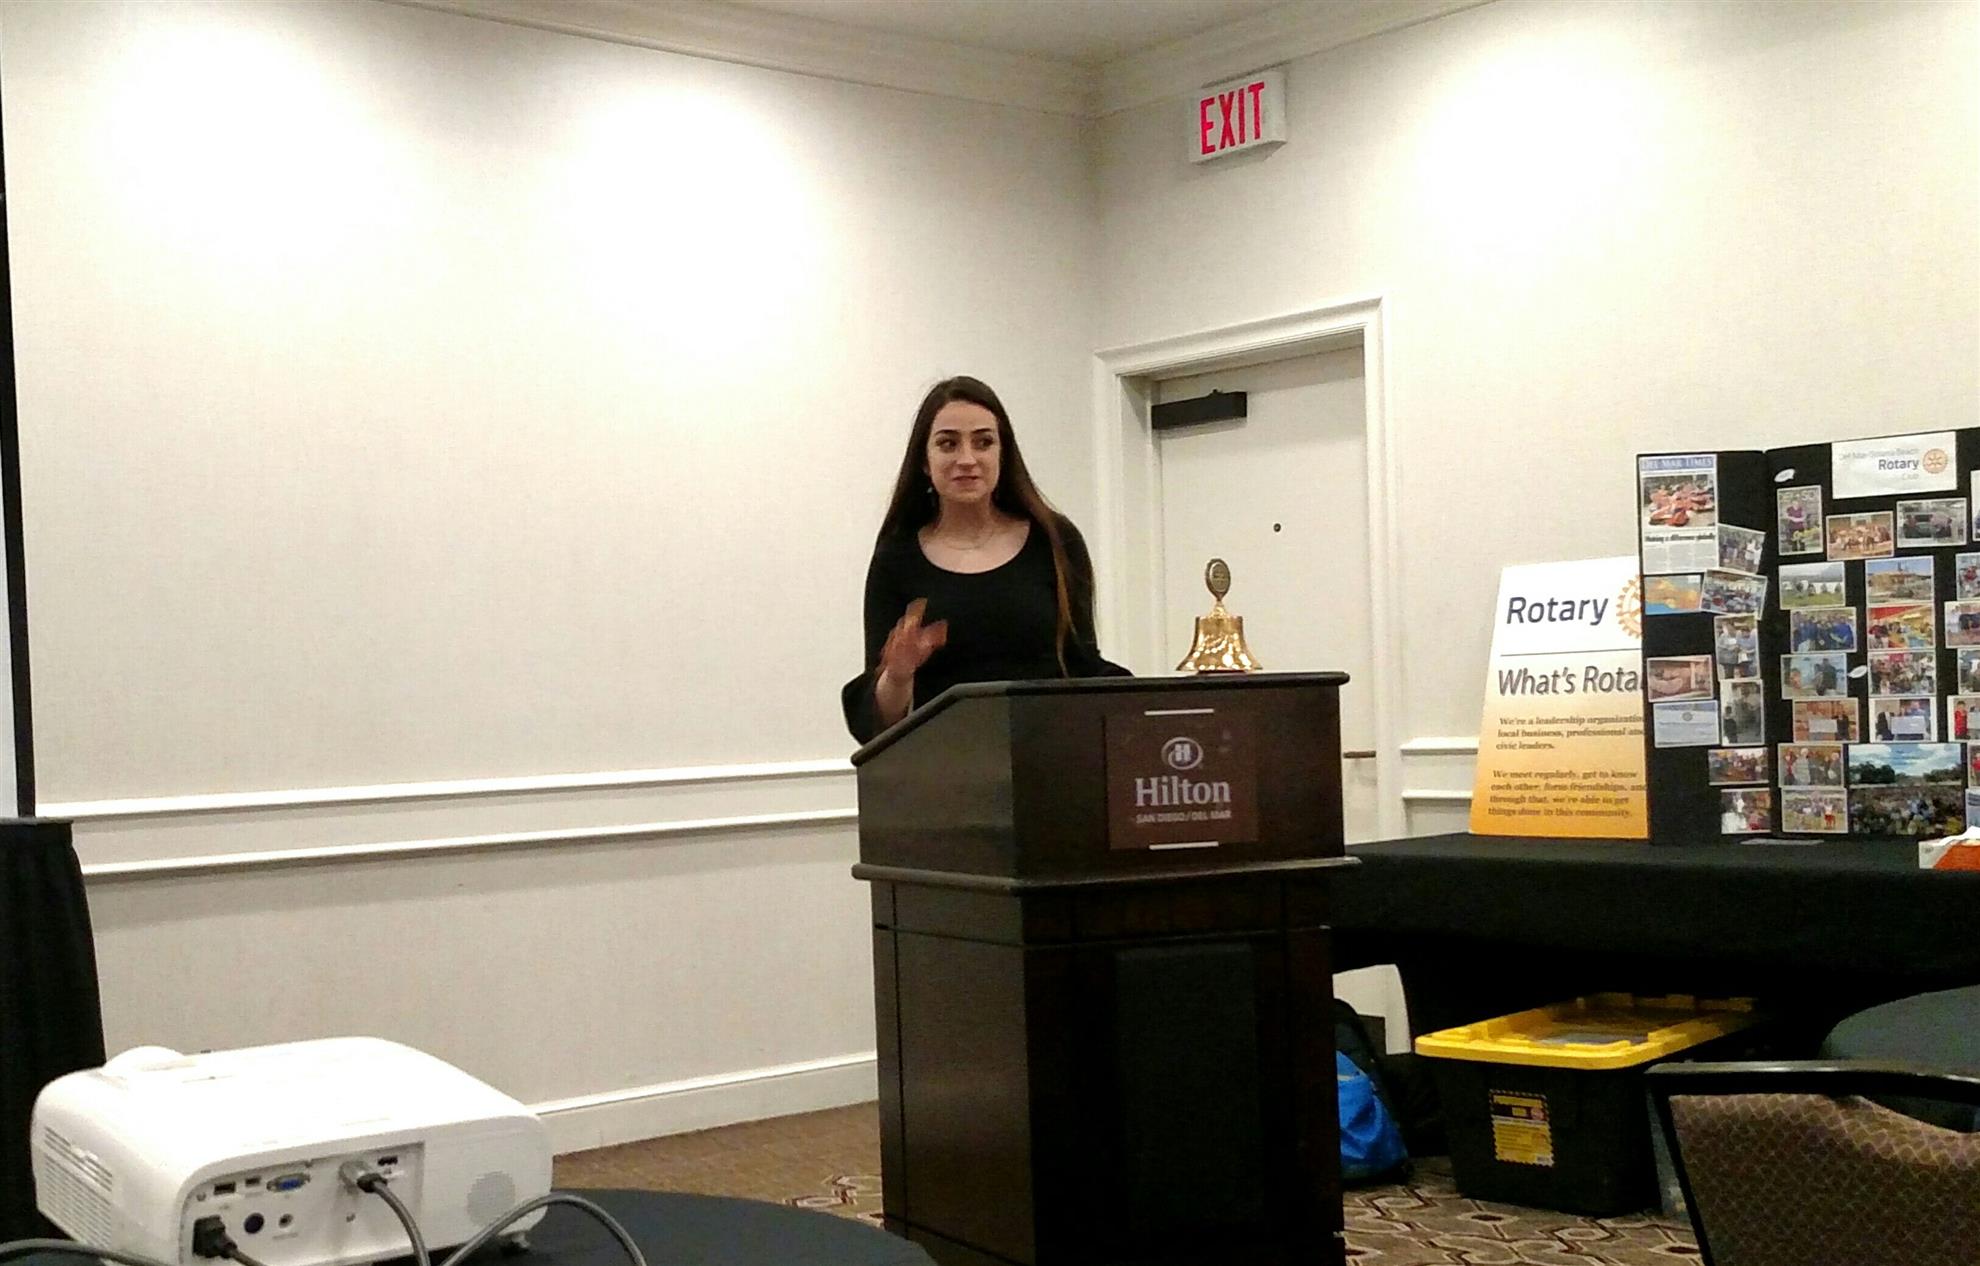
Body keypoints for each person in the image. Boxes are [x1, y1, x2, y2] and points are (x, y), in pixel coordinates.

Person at [842, 376, 1127, 743]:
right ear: (925, 462)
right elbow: (879, 722)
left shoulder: (1056, 540)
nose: (967, 459)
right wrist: (898, 675)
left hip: (1049, 752)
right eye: (948, 444)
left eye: (983, 442)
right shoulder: (896, 558)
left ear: (1002, 454)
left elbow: (1082, 664)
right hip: (943, 763)